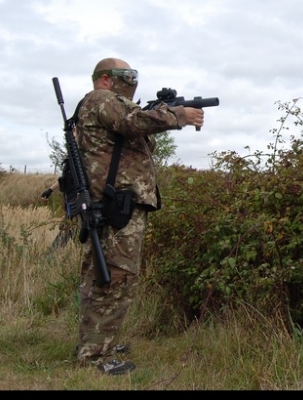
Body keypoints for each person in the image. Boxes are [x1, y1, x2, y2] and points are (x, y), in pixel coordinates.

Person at [72, 57, 205, 375]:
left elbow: (137, 136)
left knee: (109, 277)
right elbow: (133, 122)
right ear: (104, 79)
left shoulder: (108, 108)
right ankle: (95, 356)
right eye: (125, 75)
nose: (131, 81)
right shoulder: (100, 99)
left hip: (118, 204)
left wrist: (159, 110)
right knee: (115, 278)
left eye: (134, 75)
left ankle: (99, 342)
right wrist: (177, 115)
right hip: (115, 205)